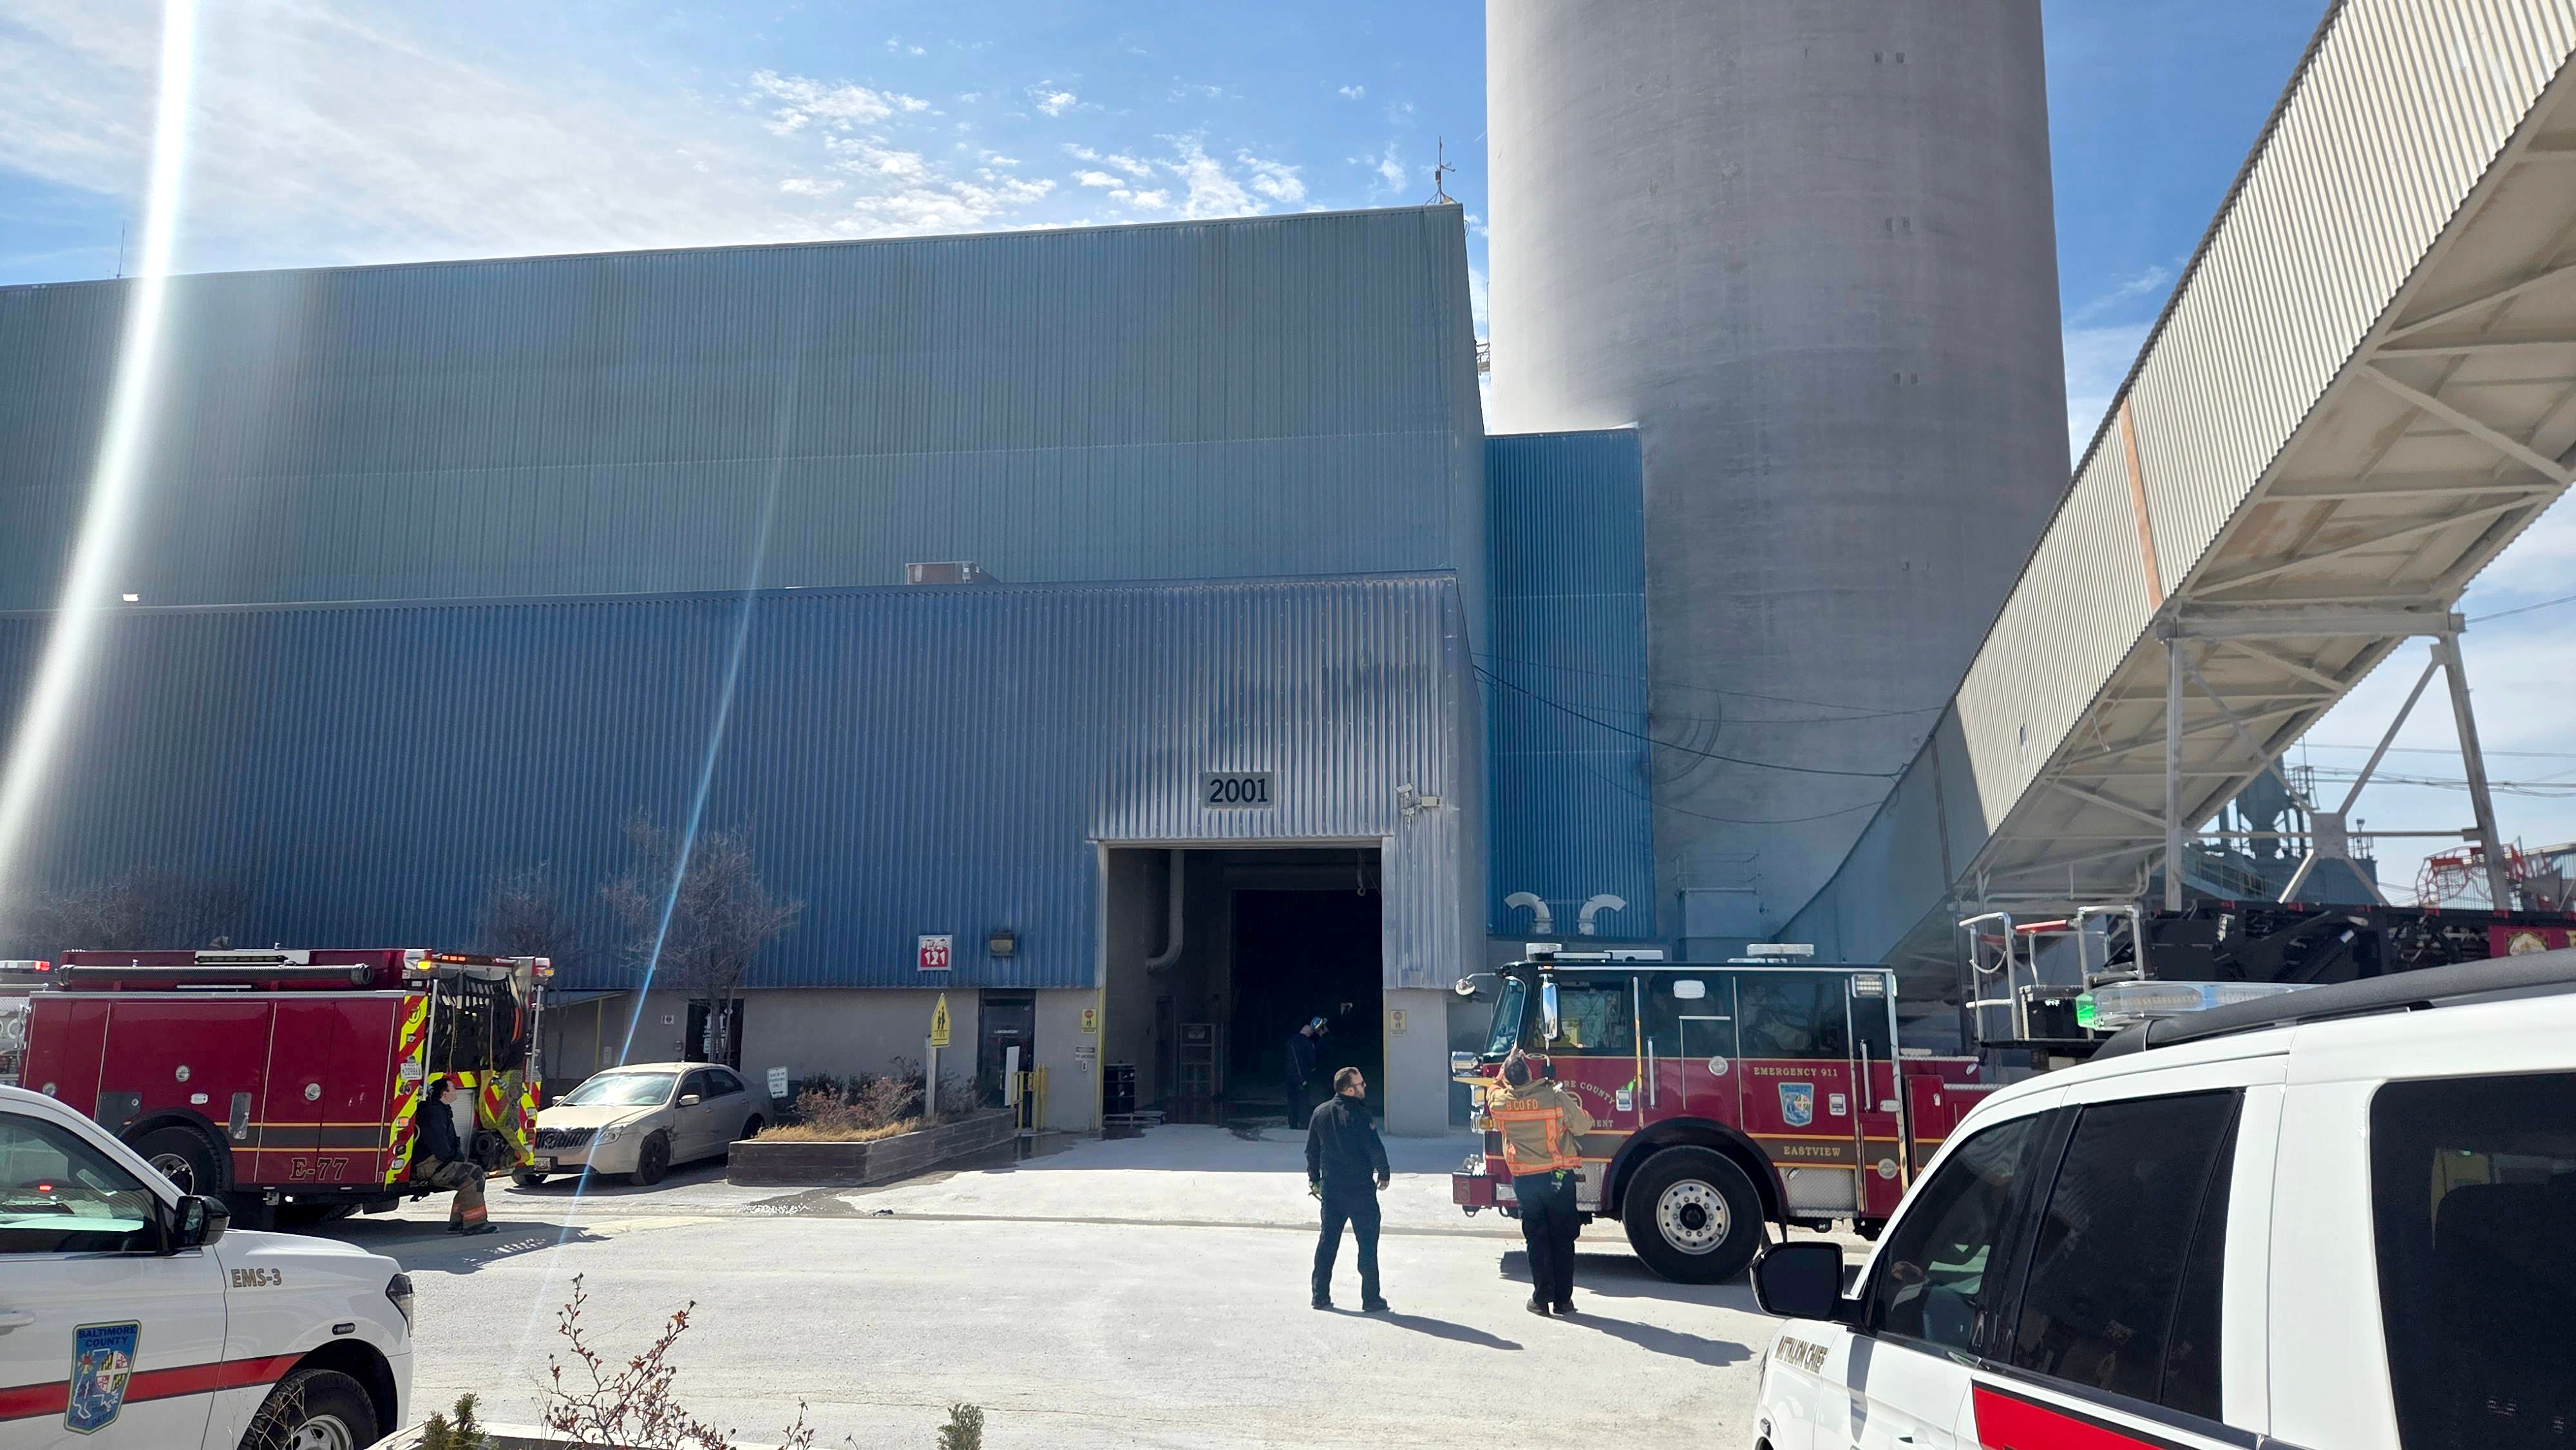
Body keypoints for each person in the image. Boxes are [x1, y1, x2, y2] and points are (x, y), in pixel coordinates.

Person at [1487, 1048, 1593, 1315]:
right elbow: (1582, 1126)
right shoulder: (1554, 1096)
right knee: (1562, 1238)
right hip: (1558, 1178)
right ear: (1531, 1072)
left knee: (1536, 1239)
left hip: (1525, 1180)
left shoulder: (1500, 1102)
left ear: (1508, 1079)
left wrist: (1505, 1067)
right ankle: (1563, 1302)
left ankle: (1541, 1299)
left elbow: (1493, 1090)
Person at [1305, 1065, 1391, 1312]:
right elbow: (1374, 1146)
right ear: (1349, 1089)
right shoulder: (1361, 1115)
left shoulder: (1320, 1113)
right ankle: (1371, 1298)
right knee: (1367, 1244)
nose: (1365, 1087)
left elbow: (1311, 1151)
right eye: (1361, 1084)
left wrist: (1315, 1179)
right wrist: (1384, 1172)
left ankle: (1319, 1295)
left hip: (1332, 1190)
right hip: (1360, 1190)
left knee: (1327, 1242)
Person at [413, 1079, 493, 1235]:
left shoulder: (439, 1109)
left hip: (435, 1162)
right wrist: (453, 1157)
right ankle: (475, 1225)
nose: (456, 1092)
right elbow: (439, 1144)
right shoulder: (434, 1113)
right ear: (444, 1093)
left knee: (467, 1177)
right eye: (454, 1089)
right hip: (430, 1165)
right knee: (474, 1175)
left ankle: (458, 1223)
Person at [1283, 1017, 1324, 1127]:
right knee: (1303, 1100)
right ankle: (1305, 1123)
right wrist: (1311, 1069)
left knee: (1292, 1101)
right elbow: (1312, 1060)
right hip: (1303, 1076)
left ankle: (1293, 1123)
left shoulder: (1290, 1042)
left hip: (1289, 1076)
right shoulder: (1307, 1043)